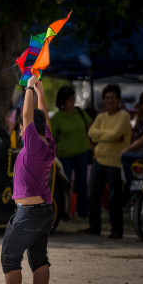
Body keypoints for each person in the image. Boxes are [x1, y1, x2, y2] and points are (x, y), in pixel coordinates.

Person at [0, 75, 56, 284]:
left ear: (28, 129)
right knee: (38, 259)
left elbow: (28, 117)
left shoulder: (34, 143)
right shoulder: (48, 142)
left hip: (30, 213)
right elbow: (41, 116)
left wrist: (28, 88)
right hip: (44, 210)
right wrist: (40, 89)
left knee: (10, 256)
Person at [80, 84, 131, 239]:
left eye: (113, 98)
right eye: (107, 98)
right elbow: (91, 133)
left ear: (118, 99)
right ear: (103, 100)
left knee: (114, 198)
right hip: (99, 160)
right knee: (93, 195)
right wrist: (111, 136)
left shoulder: (124, 115)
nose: (110, 101)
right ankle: (94, 227)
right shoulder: (101, 116)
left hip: (116, 162)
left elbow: (114, 133)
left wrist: (102, 135)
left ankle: (117, 230)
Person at [51, 86, 92, 218]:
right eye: (69, 99)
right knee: (66, 184)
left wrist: (91, 145)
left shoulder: (79, 112)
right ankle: (66, 211)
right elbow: (51, 138)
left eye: (73, 98)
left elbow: (90, 128)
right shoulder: (57, 118)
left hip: (82, 153)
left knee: (82, 183)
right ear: (63, 101)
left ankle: (83, 211)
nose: (72, 101)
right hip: (65, 155)